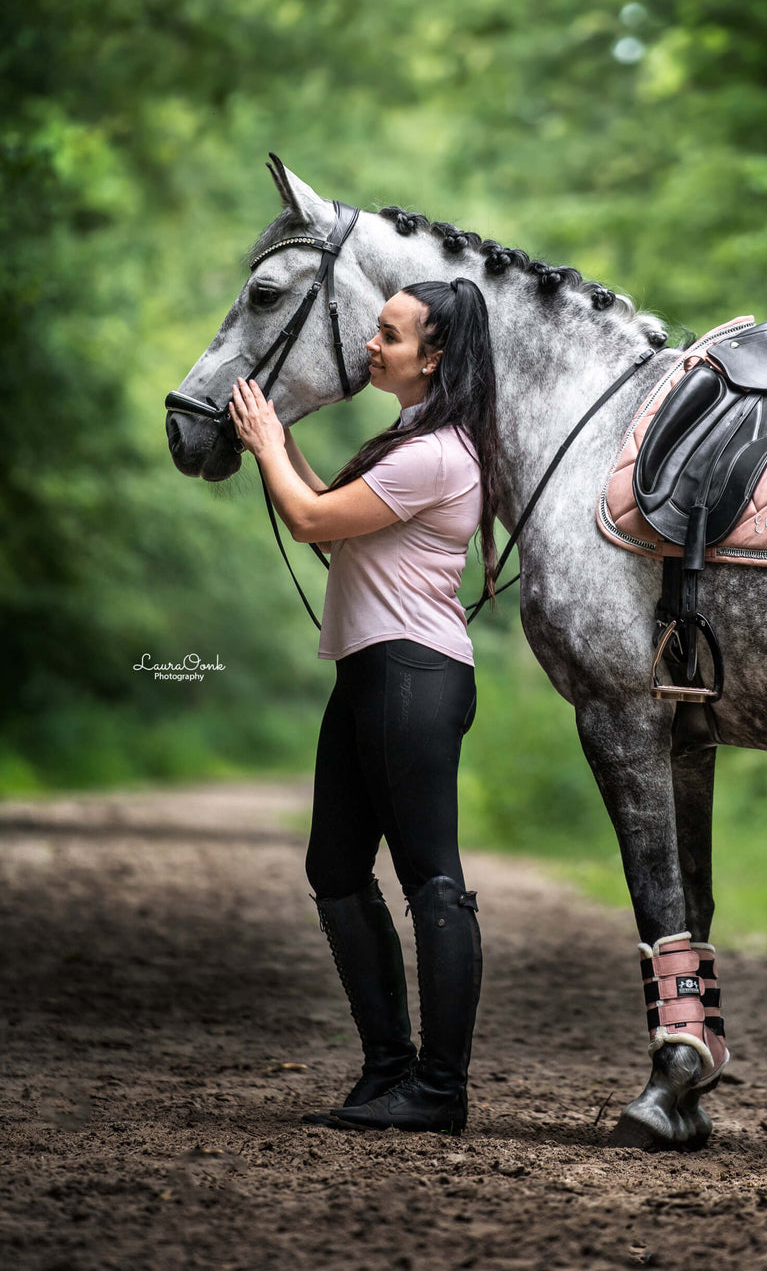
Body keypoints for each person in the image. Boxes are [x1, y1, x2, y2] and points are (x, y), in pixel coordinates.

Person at [228, 277, 499, 1136]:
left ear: (436, 354)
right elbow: (336, 521)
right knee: (336, 871)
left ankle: (439, 1089)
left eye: (389, 334)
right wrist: (282, 443)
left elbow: (309, 522)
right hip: (372, 673)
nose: (372, 346)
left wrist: (270, 442)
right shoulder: (409, 440)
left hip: (412, 677)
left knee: (434, 884)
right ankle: (389, 1068)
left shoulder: (438, 453)